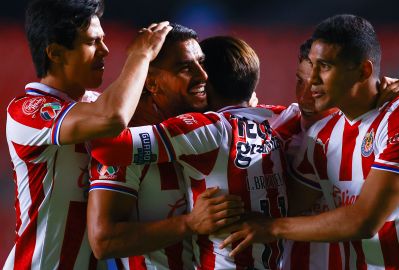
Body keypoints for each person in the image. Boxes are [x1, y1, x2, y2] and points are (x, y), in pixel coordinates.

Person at [219, 14, 399, 269]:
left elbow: (364, 221)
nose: (313, 80)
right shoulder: (322, 135)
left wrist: (273, 228)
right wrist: (208, 210)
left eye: (324, 66)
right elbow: (285, 206)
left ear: (364, 70)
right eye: (308, 70)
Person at [90, 36, 288, 270]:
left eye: (202, 64)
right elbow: (104, 241)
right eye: (186, 67)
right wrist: (189, 224)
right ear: (151, 82)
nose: (202, 75)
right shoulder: (131, 140)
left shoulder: (209, 130)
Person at [4, 0, 171, 268]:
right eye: (93, 42)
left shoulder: (96, 103)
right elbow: (112, 117)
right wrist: (140, 55)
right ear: (56, 53)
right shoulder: (28, 110)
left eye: (103, 40)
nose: (105, 51)